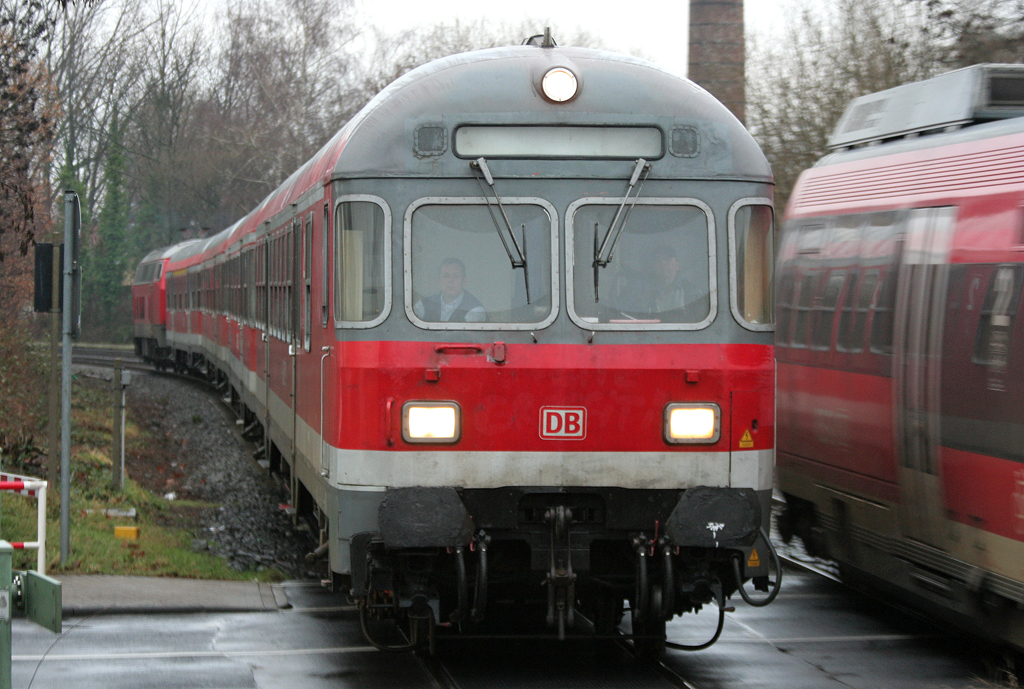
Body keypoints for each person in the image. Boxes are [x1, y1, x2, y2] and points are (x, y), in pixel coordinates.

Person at [414, 257, 487, 323]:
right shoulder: (423, 305)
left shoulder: (475, 310)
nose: (450, 280)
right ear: (439, 281)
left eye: (456, 276)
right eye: (446, 276)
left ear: (464, 281)